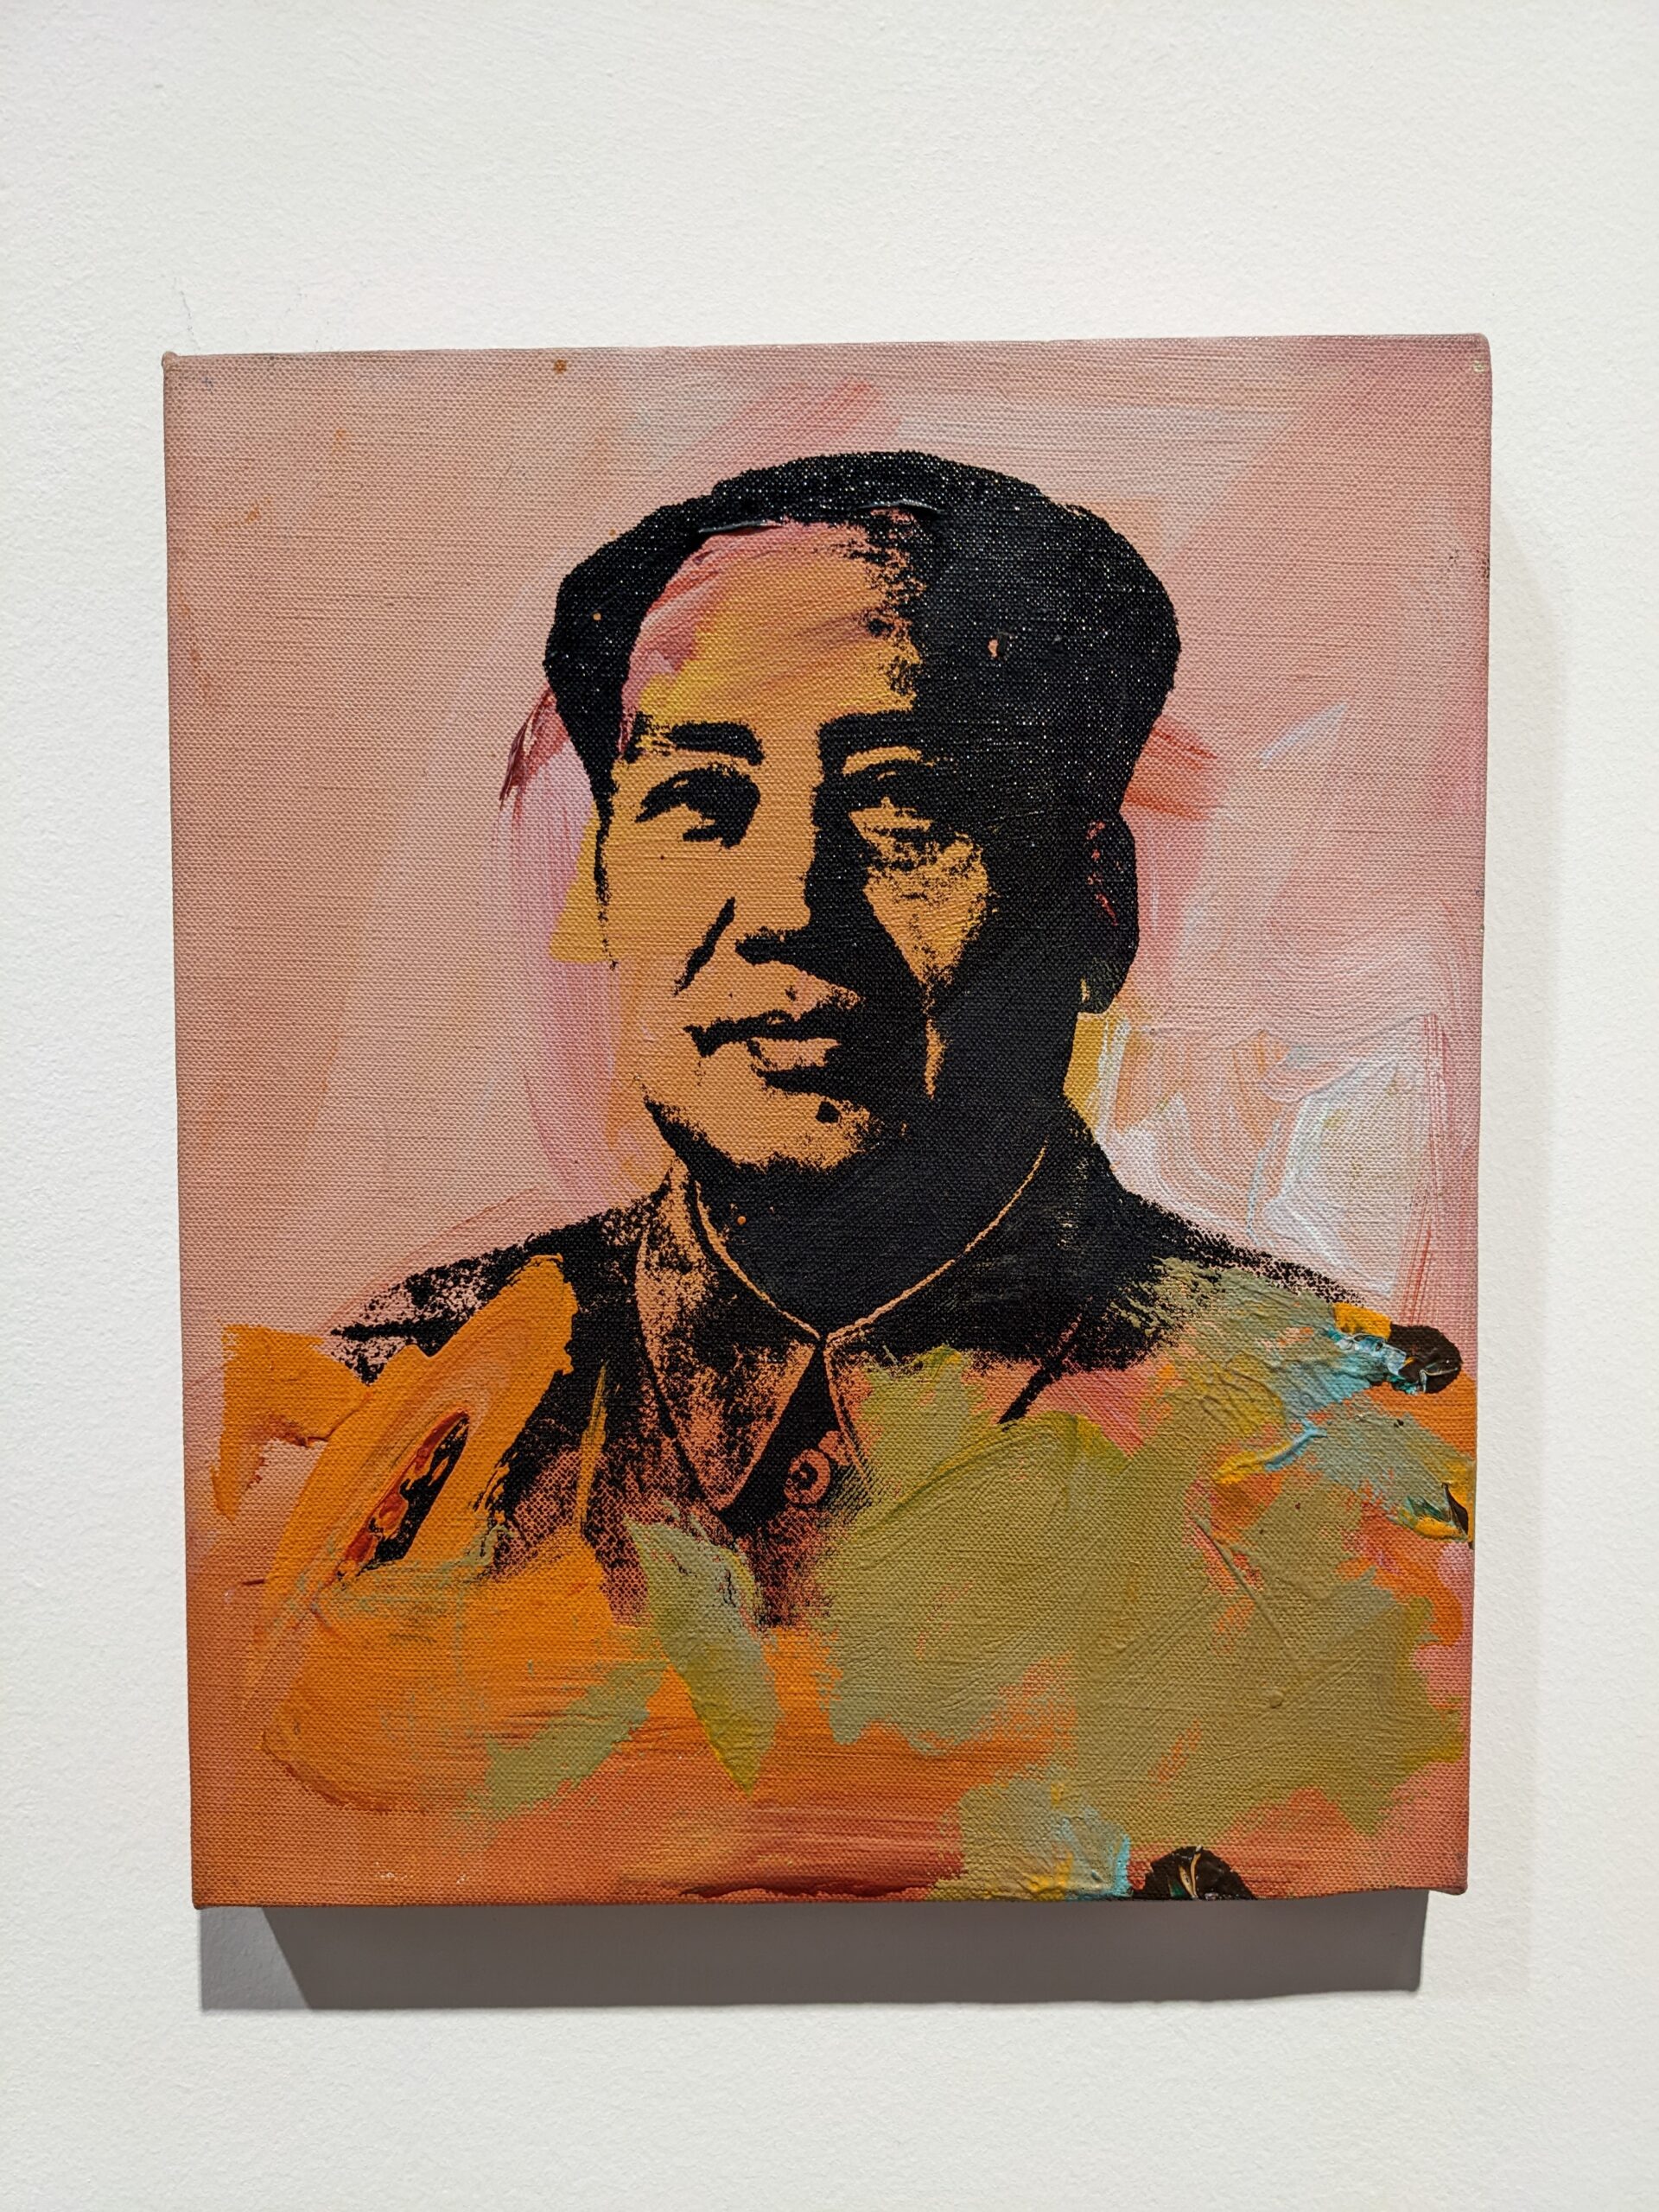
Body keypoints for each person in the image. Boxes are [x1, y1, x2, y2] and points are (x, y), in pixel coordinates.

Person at [219, 453, 1474, 1902]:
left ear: (1098, 905)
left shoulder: (1355, 1458)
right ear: (609, 884)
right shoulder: (378, 1425)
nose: (784, 909)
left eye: (900, 805)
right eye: (700, 801)